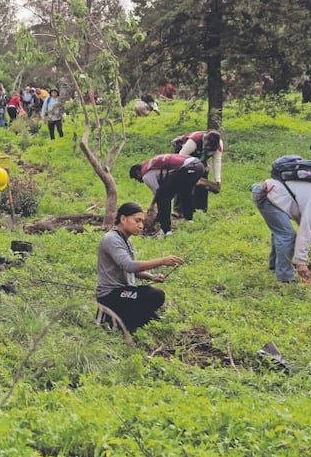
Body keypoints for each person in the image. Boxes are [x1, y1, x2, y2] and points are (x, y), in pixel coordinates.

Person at [95, 202, 183, 334]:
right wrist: (162, 261)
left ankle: (127, 318)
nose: (141, 226)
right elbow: (129, 266)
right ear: (123, 219)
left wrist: (151, 276)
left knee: (149, 295)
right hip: (110, 294)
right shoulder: (111, 239)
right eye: (137, 221)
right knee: (155, 295)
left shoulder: (127, 241)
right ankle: (121, 322)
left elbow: (133, 270)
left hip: (125, 291)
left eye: (142, 221)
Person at [129, 154, 205, 236]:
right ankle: (189, 220)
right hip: (199, 166)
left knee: (163, 198)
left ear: (138, 172)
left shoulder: (146, 175)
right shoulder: (152, 165)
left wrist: (152, 206)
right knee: (186, 191)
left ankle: (166, 230)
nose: (139, 181)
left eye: (137, 178)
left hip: (186, 169)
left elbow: (158, 193)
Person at [174, 130, 223, 212]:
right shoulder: (193, 141)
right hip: (184, 155)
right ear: (205, 140)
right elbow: (180, 158)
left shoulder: (219, 145)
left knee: (204, 174)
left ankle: (200, 208)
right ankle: (179, 210)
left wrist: (217, 180)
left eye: (211, 149)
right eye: (207, 146)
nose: (209, 149)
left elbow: (217, 161)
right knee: (184, 181)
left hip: (200, 158)